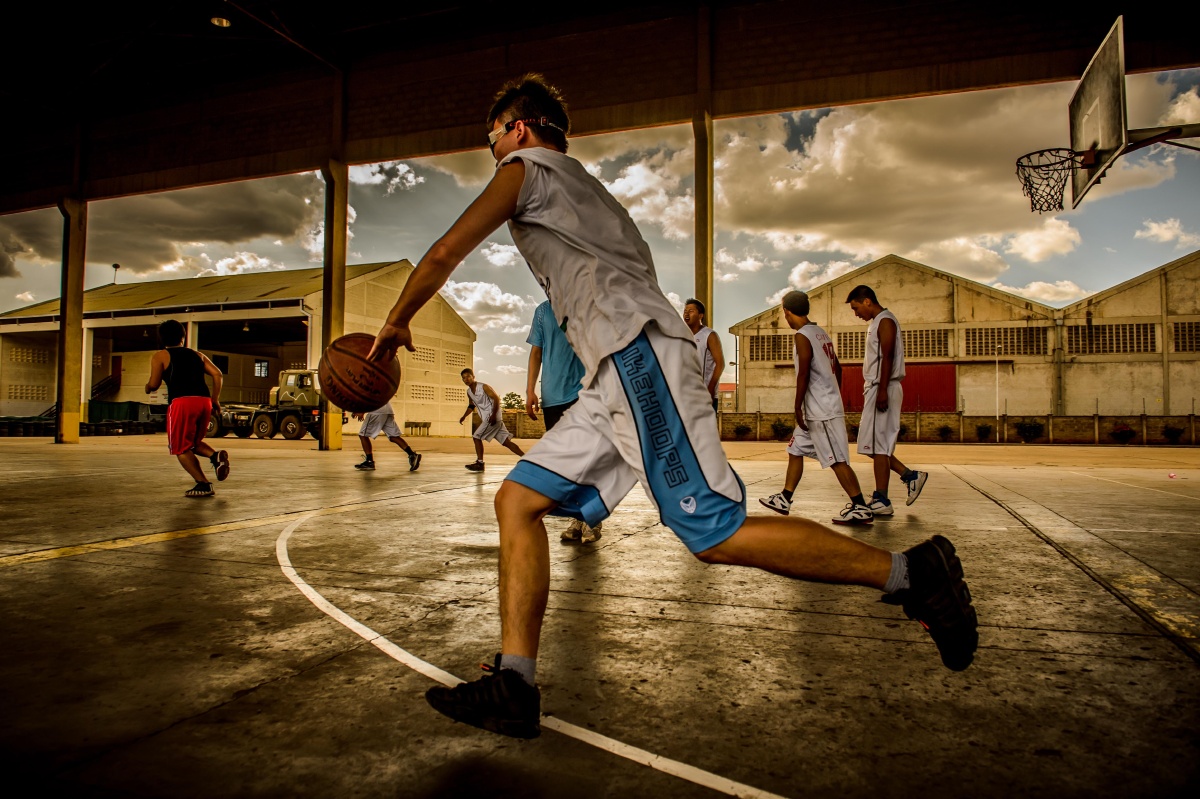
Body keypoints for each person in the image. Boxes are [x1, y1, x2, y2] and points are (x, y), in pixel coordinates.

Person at [370, 74, 977, 740]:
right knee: (516, 500)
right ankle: (514, 682)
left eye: (492, 137)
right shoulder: (593, 195)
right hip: (616, 372)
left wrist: (397, 323)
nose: (493, 151)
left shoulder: (526, 167)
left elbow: (444, 251)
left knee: (713, 534)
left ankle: (910, 573)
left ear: (519, 128)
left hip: (636, 359)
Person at [759, 291, 873, 525]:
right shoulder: (820, 333)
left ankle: (860, 506)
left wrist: (798, 405)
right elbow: (838, 369)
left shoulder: (802, 335)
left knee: (836, 460)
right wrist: (831, 392)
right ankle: (785, 498)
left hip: (820, 410)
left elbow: (804, 373)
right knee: (795, 449)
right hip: (821, 405)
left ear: (787, 312)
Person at [845, 285, 929, 516]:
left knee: (879, 445)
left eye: (856, 308)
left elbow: (888, 356)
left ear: (867, 301)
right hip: (876, 388)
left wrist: (882, 389)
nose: (856, 314)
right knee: (871, 445)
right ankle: (910, 476)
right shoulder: (876, 323)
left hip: (884, 387)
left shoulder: (885, 321)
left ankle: (882, 498)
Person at [525, 299, 600, 544]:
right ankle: (578, 517)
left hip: (582, 393)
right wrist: (530, 391)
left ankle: (591, 518)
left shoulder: (586, 305)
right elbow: (536, 352)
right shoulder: (542, 311)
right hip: (552, 395)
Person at [144, 319, 229, 497]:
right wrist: (215, 399)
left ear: (162, 338)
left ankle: (203, 484)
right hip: (204, 402)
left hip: (182, 403)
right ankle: (215, 456)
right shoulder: (197, 355)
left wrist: (148, 387)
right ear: (183, 337)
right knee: (193, 444)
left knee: (180, 448)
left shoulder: (160, 356)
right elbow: (217, 374)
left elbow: (154, 383)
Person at [459, 368, 525, 470]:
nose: (466, 379)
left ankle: (480, 463)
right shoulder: (469, 392)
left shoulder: (483, 387)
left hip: (492, 417)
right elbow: (471, 406)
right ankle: (527, 459)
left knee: (476, 437)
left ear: (473, 377)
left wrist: (494, 415)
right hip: (489, 418)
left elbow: (496, 399)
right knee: (506, 442)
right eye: (463, 378)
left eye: (468, 376)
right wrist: (464, 416)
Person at [352, 401, 421, 472]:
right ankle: (412, 454)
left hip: (376, 411)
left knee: (363, 435)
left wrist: (361, 411)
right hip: (387, 410)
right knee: (393, 436)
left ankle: (369, 461)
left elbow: (370, 396)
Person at [682, 298, 724, 412]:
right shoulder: (681, 334)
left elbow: (720, 364)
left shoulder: (709, 335)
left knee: (705, 429)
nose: (686, 313)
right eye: (685, 310)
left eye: (691, 311)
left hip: (704, 394)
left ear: (700, 315)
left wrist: (710, 388)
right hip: (685, 394)